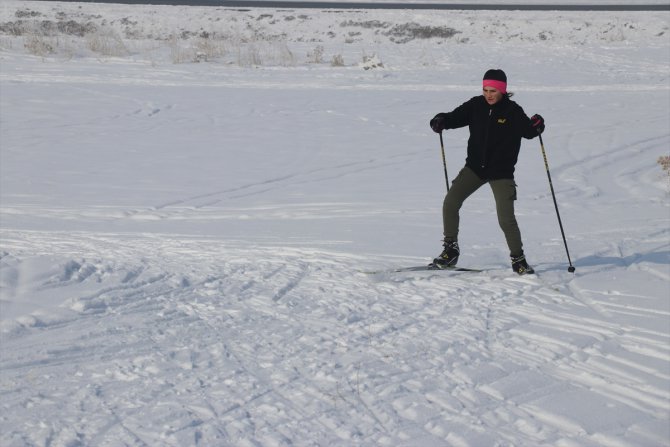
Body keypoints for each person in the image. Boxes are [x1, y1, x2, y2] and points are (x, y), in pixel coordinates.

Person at [429, 69, 544, 275]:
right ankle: (450, 250)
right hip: (474, 169)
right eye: (485, 90)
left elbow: (528, 131)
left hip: (501, 173)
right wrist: (441, 120)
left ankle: (519, 260)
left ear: (503, 91)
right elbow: (454, 117)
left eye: (493, 90)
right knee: (450, 203)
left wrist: (537, 125)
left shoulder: (512, 111)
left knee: (505, 219)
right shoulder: (476, 105)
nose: (488, 94)